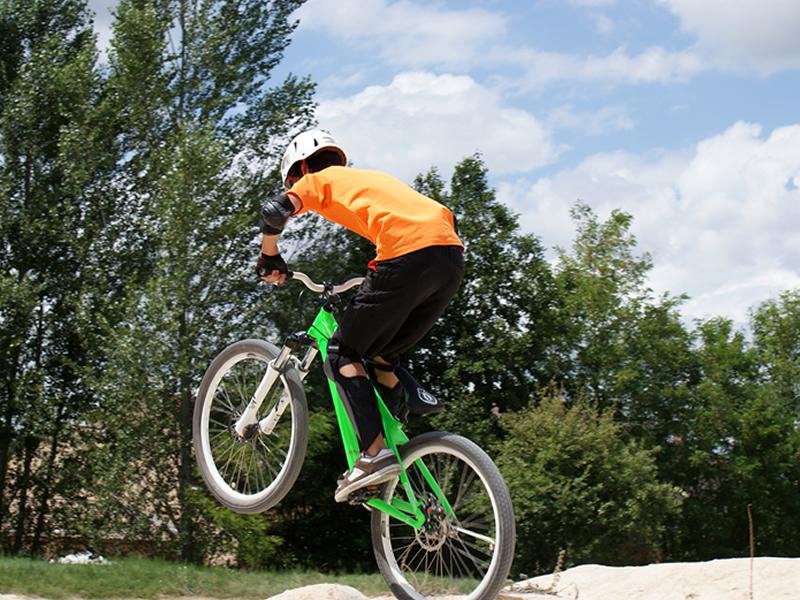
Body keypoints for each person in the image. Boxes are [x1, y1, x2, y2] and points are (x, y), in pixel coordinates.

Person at [256, 129, 464, 502]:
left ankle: (373, 455)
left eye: (293, 180)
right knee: (381, 353)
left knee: (342, 352)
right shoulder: (372, 179)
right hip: (449, 259)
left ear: (299, 170)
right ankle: (396, 409)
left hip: (406, 255)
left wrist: (269, 255)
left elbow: (275, 211)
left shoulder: (318, 180)